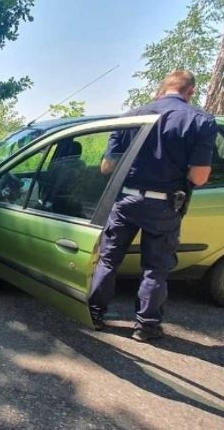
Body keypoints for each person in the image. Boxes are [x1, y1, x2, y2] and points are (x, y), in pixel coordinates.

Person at [89, 70, 217, 342]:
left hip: (125, 201)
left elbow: (107, 166)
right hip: (164, 206)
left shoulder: (130, 118)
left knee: (109, 260)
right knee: (156, 268)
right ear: (190, 91)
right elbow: (199, 176)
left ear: (160, 90)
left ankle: (95, 313)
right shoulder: (200, 121)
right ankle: (146, 326)